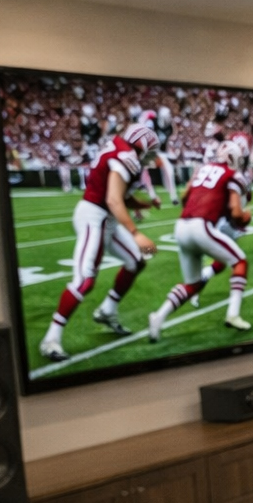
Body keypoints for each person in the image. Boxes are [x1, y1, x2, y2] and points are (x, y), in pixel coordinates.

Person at [39, 121, 159, 362]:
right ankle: (51, 339)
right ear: (142, 146)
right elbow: (114, 199)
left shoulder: (116, 147)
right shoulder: (125, 157)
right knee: (84, 281)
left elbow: (119, 195)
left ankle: (108, 311)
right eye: (150, 151)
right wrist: (136, 233)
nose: (150, 157)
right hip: (94, 217)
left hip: (106, 219)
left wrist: (143, 204)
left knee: (136, 261)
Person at [147, 139, 253, 340]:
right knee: (240, 262)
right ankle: (233, 314)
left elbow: (185, 196)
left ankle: (159, 317)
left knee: (192, 284)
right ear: (233, 158)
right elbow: (237, 213)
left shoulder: (203, 169)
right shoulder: (233, 174)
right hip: (201, 227)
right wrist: (245, 218)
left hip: (181, 226)